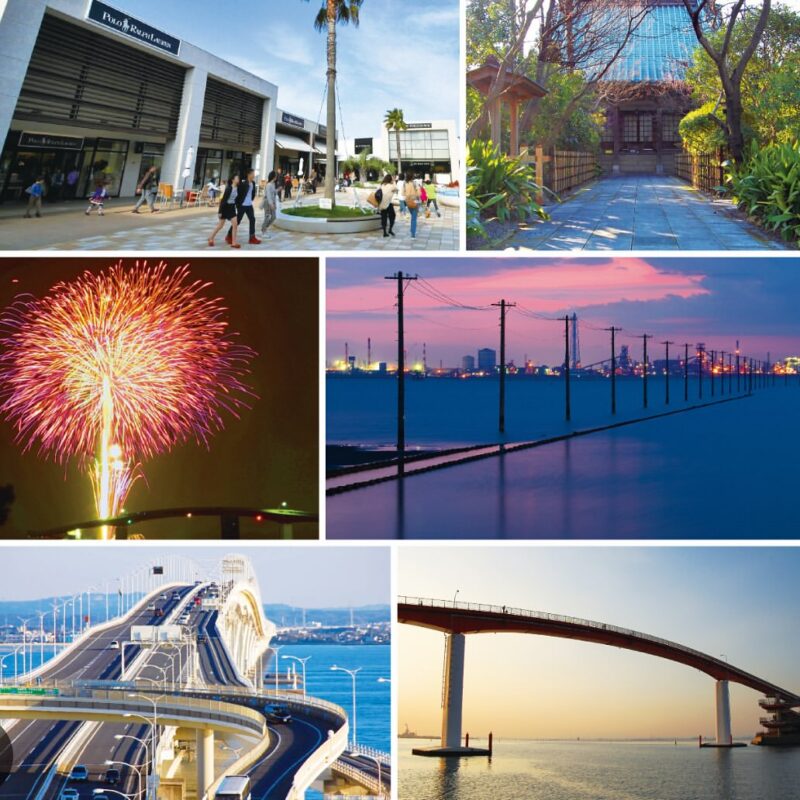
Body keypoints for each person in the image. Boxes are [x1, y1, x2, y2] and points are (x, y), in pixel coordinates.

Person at [226, 167, 259, 245]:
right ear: (249, 174)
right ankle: (229, 235)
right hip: (242, 205)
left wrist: (251, 199)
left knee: (252, 219)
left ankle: (252, 237)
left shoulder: (253, 183)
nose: (254, 175)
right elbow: (238, 195)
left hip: (249, 205)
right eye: (253, 173)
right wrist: (238, 205)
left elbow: (252, 193)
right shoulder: (243, 184)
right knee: (237, 221)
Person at [208, 174, 241, 248]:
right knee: (220, 225)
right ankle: (211, 238)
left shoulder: (238, 188)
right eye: (237, 178)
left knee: (235, 224)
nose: (238, 179)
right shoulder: (229, 188)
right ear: (233, 180)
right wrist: (220, 212)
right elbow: (223, 201)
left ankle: (233, 243)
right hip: (225, 207)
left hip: (232, 207)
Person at [261, 170, 279, 239]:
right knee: (267, 216)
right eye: (275, 176)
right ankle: (263, 231)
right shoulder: (268, 185)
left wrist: (278, 190)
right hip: (268, 202)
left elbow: (273, 192)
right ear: (273, 177)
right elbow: (268, 195)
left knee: (274, 217)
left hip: (272, 202)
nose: (276, 177)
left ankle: (264, 228)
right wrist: (271, 204)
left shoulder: (273, 184)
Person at [404, 172, 421, 238]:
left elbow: (403, 193)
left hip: (408, 201)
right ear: (412, 176)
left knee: (413, 216)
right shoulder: (415, 183)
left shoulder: (404, 183)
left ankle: (412, 230)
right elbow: (419, 193)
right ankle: (413, 233)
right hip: (414, 201)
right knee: (414, 218)